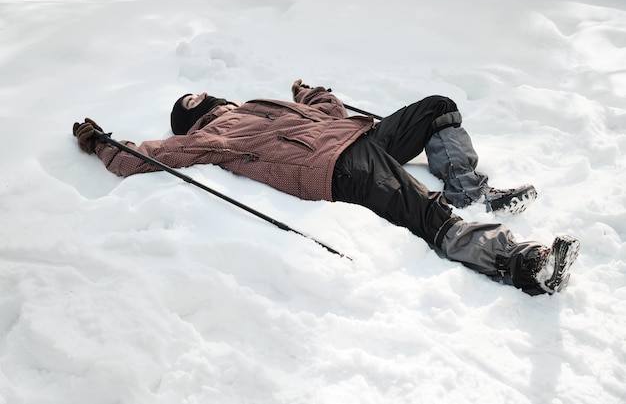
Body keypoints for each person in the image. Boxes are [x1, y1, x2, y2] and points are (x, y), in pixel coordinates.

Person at [72, 80, 580, 295]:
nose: (216, 111)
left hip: (357, 136)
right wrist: (100, 144)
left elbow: (327, 113)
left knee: (438, 107)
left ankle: (468, 186)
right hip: (332, 166)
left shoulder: (255, 106)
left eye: (213, 104)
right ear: (197, 124)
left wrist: (308, 91)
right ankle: (520, 263)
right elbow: (145, 159)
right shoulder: (210, 139)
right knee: (424, 211)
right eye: (204, 113)